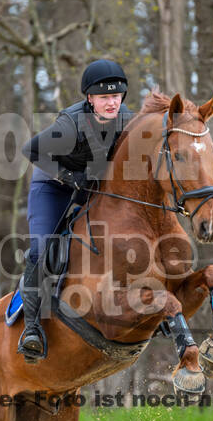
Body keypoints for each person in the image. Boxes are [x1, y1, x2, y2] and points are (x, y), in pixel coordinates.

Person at [18, 59, 133, 361]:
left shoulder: (129, 122)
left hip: (91, 189)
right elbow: (30, 150)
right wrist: (71, 178)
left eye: (116, 96)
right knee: (42, 249)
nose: (111, 102)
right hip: (53, 187)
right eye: (104, 97)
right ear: (89, 99)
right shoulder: (70, 124)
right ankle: (31, 329)